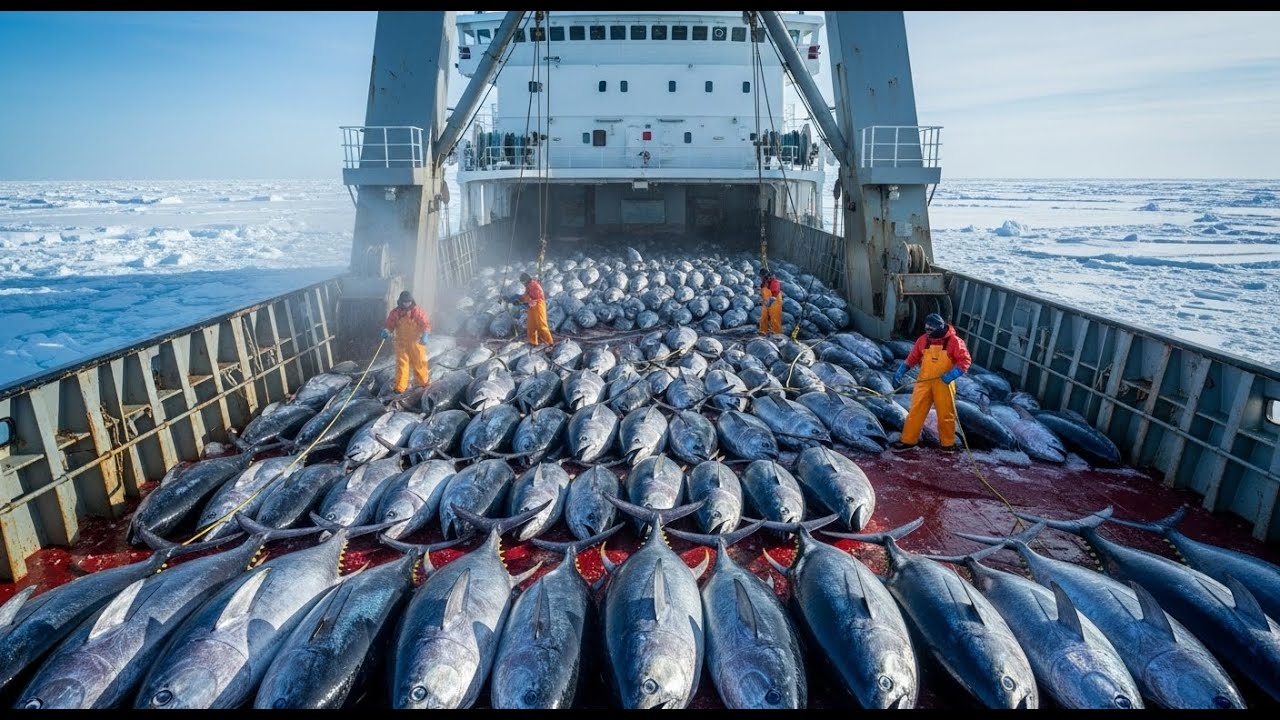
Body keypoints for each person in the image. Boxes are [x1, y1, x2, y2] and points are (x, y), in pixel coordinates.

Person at [891, 312, 972, 453]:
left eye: (931, 329)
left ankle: (948, 444)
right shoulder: (923, 340)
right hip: (924, 382)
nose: (927, 332)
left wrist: (952, 375)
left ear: (939, 328)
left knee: (946, 414)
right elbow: (913, 357)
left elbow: (965, 360)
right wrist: (902, 369)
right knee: (915, 411)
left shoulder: (955, 341)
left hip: (944, 383)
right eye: (926, 329)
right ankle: (908, 441)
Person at [380, 290, 432, 394]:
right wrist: (386, 331)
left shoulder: (417, 311)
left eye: (409, 301)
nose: (407, 304)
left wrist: (426, 334)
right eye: (405, 302)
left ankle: (422, 384)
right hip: (401, 343)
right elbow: (390, 325)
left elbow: (426, 324)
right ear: (401, 301)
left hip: (416, 343)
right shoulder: (395, 313)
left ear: (412, 301)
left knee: (420, 363)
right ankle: (400, 387)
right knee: (402, 365)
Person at [519, 272, 554, 346]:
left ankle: (549, 342)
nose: (523, 284)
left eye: (523, 282)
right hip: (532, 306)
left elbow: (534, 298)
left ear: (526, 280)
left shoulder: (534, 285)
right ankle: (533, 342)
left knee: (541, 325)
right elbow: (526, 296)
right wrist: (520, 299)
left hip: (538, 305)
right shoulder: (528, 285)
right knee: (531, 325)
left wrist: (523, 300)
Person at [758, 267, 783, 336]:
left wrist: (770, 301)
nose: (760, 278)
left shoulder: (774, 281)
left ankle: (777, 334)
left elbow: (775, 292)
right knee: (763, 317)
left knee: (775, 318)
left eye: (761, 276)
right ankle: (763, 332)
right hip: (766, 302)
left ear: (764, 275)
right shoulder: (764, 282)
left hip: (775, 302)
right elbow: (764, 292)